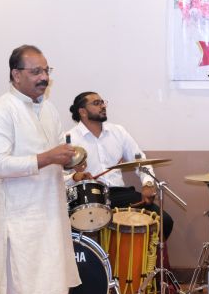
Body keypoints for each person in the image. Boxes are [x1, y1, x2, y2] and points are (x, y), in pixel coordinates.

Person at [0, 45, 85, 294]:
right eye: (36, 72)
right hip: (19, 214)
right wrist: (48, 158)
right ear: (16, 75)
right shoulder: (0, 111)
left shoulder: (49, 109)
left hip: (51, 208)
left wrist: (69, 165)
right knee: (20, 291)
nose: (44, 78)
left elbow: (55, 156)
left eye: (46, 71)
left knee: (59, 281)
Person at [66, 91, 174, 240]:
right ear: (82, 111)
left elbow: (140, 160)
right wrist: (75, 176)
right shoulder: (69, 138)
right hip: (90, 198)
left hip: (120, 194)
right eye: (96, 103)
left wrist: (148, 183)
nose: (103, 106)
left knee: (164, 222)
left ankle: (147, 256)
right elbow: (58, 176)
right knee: (76, 231)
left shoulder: (118, 132)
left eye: (103, 102)